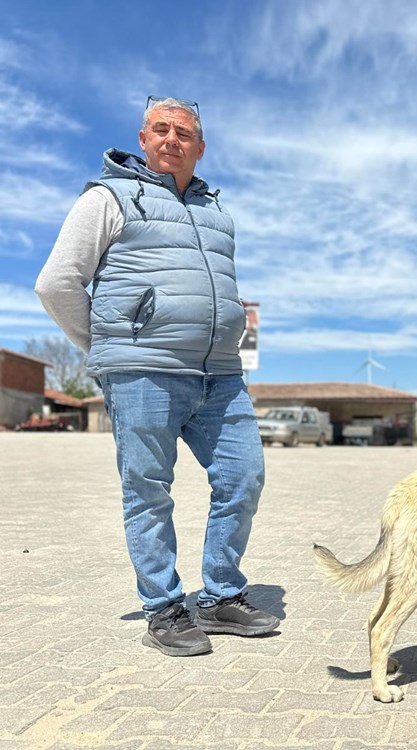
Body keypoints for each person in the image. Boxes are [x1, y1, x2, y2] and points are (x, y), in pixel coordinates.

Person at [35, 97, 278, 657]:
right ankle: (164, 608)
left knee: (243, 478)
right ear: (143, 139)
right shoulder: (109, 198)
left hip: (219, 373)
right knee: (148, 491)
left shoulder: (217, 211)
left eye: (185, 132)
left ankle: (219, 597)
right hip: (143, 371)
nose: (172, 139)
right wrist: (106, 345)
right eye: (161, 130)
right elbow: (56, 283)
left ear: (201, 147)